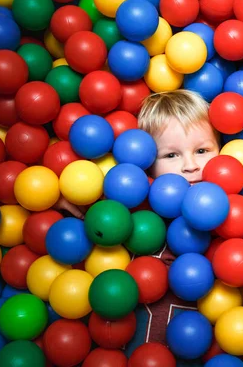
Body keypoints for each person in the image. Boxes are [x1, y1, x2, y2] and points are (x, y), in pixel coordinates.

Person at [58, 89, 220, 346]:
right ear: (146, 162)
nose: (191, 165)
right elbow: (92, 218)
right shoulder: (128, 210)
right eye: (171, 155)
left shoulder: (226, 217)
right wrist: (60, 198)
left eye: (202, 150)